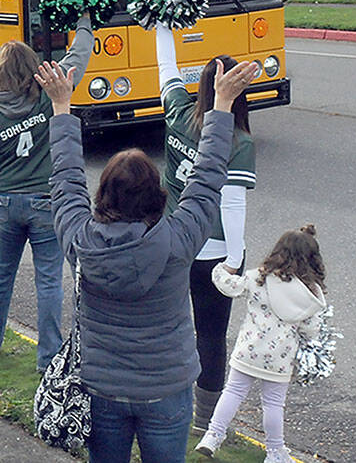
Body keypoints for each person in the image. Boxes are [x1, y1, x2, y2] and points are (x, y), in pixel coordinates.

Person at [40, 53, 259, 463]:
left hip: (101, 389)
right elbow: (208, 176)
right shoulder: (178, 240)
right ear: (158, 196)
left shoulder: (79, 239)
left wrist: (61, 109)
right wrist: (222, 106)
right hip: (167, 388)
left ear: (102, 195)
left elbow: (65, 178)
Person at [0, 19, 95, 371]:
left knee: (1, 273)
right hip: (47, 200)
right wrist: (84, 23)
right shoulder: (49, 94)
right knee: (48, 279)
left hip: (5, 201)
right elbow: (78, 57)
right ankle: (49, 356)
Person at [156, 26, 257, 431]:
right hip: (214, 252)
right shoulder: (237, 139)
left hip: (173, 241)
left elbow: (167, 68)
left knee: (172, 327)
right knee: (210, 337)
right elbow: (232, 203)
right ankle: (203, 421)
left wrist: (163, 23)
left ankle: (166, 403)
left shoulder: (179, 113)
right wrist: (234, 261)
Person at [196, 226, 328, 463]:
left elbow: (228, 285)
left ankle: (213, 435)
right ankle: (275, 452)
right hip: (280, 358)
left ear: (278, 252)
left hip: (249, 350)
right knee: (274, 404)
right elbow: (311, 330)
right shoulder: (312, 293)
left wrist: (221, 268)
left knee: (233, 392)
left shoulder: (259, 277)